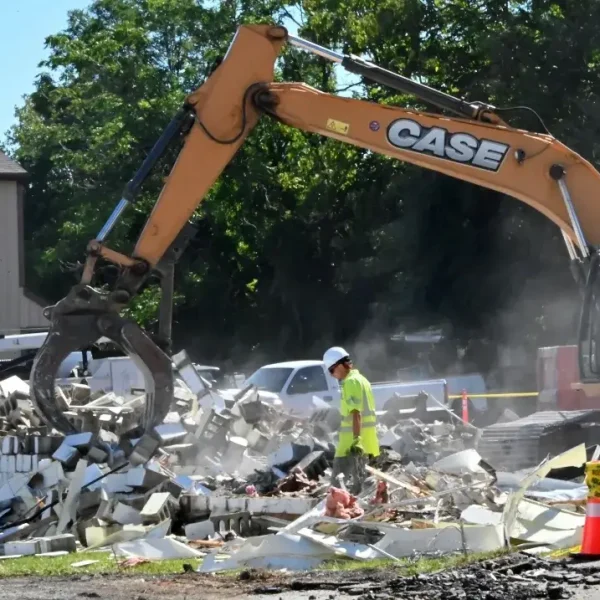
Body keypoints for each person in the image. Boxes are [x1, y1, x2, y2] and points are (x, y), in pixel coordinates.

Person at [323, 346, 380, 494]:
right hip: (366, 442)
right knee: (362, 487)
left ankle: (335, 514)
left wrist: (356, 439)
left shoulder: (351, 382)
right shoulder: (363, 380)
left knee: (336, 488)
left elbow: (356, 413)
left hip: (351, 446)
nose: (332, 374)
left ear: (341, 365)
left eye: (331, 370)